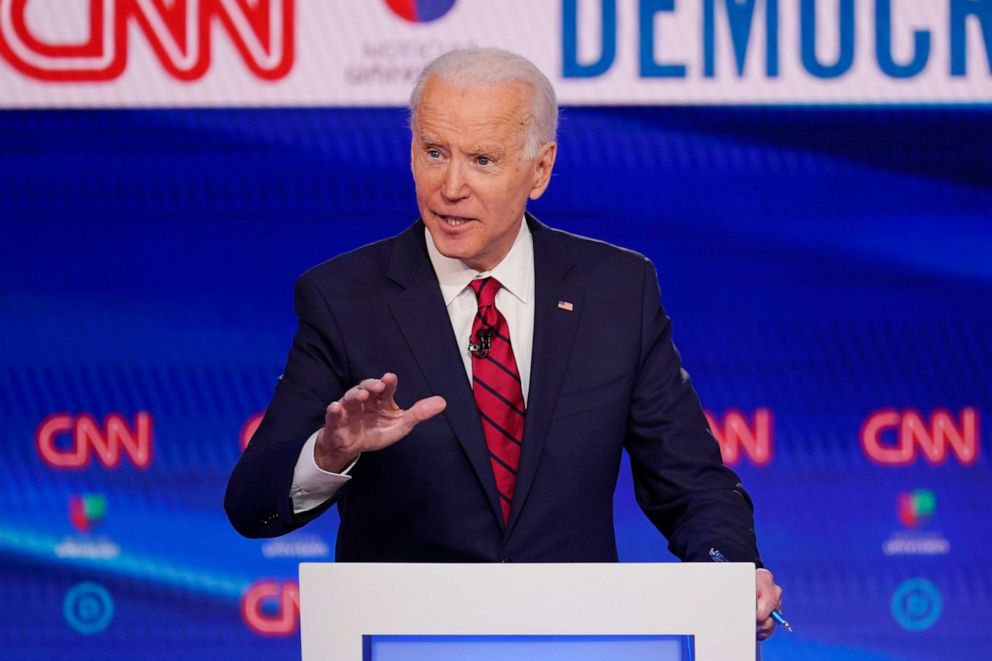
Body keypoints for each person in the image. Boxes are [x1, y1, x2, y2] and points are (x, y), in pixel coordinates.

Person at [225, 48, 783, 640]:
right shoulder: (343, 299)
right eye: (433, 152)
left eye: (483, 160)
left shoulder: (616, 290)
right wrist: (330, 454)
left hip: (579, 642)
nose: (451, 187)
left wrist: (728, 579)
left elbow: (690, 481)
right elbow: (251, 504)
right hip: (407, 643)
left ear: (539, 170)